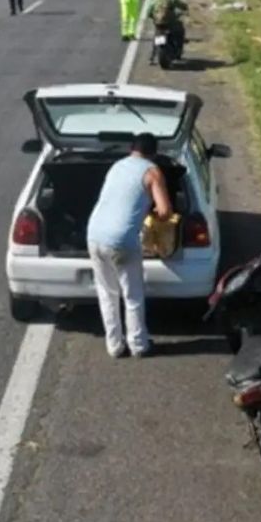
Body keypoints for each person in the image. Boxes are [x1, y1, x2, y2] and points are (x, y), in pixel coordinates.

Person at [87, 133, 174, 358]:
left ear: (132, 150)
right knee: (132, 294)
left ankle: (114, 346)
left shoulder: (116, 166)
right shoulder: (153, 172)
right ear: (154, 153)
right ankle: (138, 344)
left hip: (94, 233)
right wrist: (154, 217)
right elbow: (164, 211)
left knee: (107, 293)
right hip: (122, 240)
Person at [147, 0, 187, 64]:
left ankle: (152, 57)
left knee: (156, 37)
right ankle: (179, 51)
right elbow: (183, 6)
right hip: (170, 24)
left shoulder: (154, 1)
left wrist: (154, 18)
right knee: (180, 31)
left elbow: (149, 13)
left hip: (159, 25)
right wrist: (185, 8)